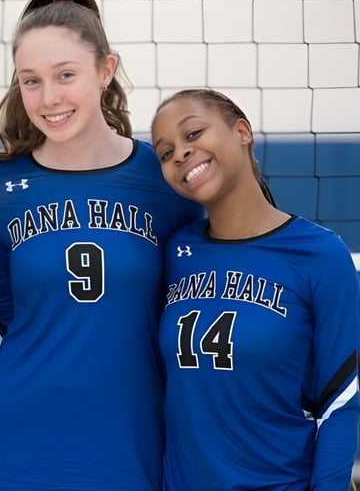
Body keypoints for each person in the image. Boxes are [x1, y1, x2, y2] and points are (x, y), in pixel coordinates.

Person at [0, 0, 204, 490]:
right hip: (19, 440)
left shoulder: (163, 180)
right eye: (30, 81)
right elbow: (1, 306)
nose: (48, 98)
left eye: (66, 75)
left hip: (129, 438)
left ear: (105, 70)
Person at [150, 88, 360, 490]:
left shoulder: (319, 253)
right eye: (165, 152)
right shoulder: (175, 252)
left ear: (242, 131)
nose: (179, 153)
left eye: (192, 134)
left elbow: (340, 405)